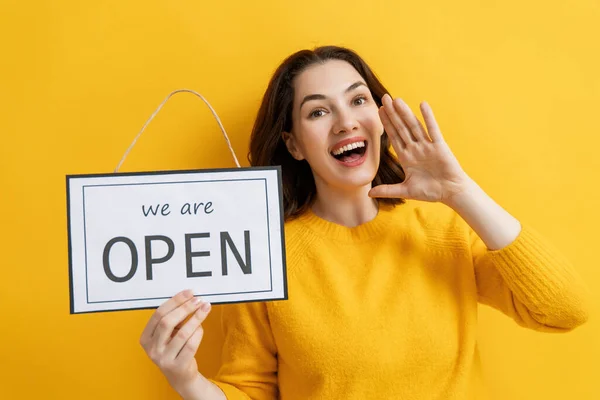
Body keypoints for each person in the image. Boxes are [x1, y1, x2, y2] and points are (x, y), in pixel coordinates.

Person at [139, 46, 590, 399]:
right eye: (319, 111)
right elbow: (249, 391)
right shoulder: (265, 259)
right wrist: (187, 380)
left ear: (379, 120)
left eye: (358, 100)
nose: (345, 122)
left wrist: (461, 193)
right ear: (294, 145)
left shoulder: (445, 230)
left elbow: (565, 310)